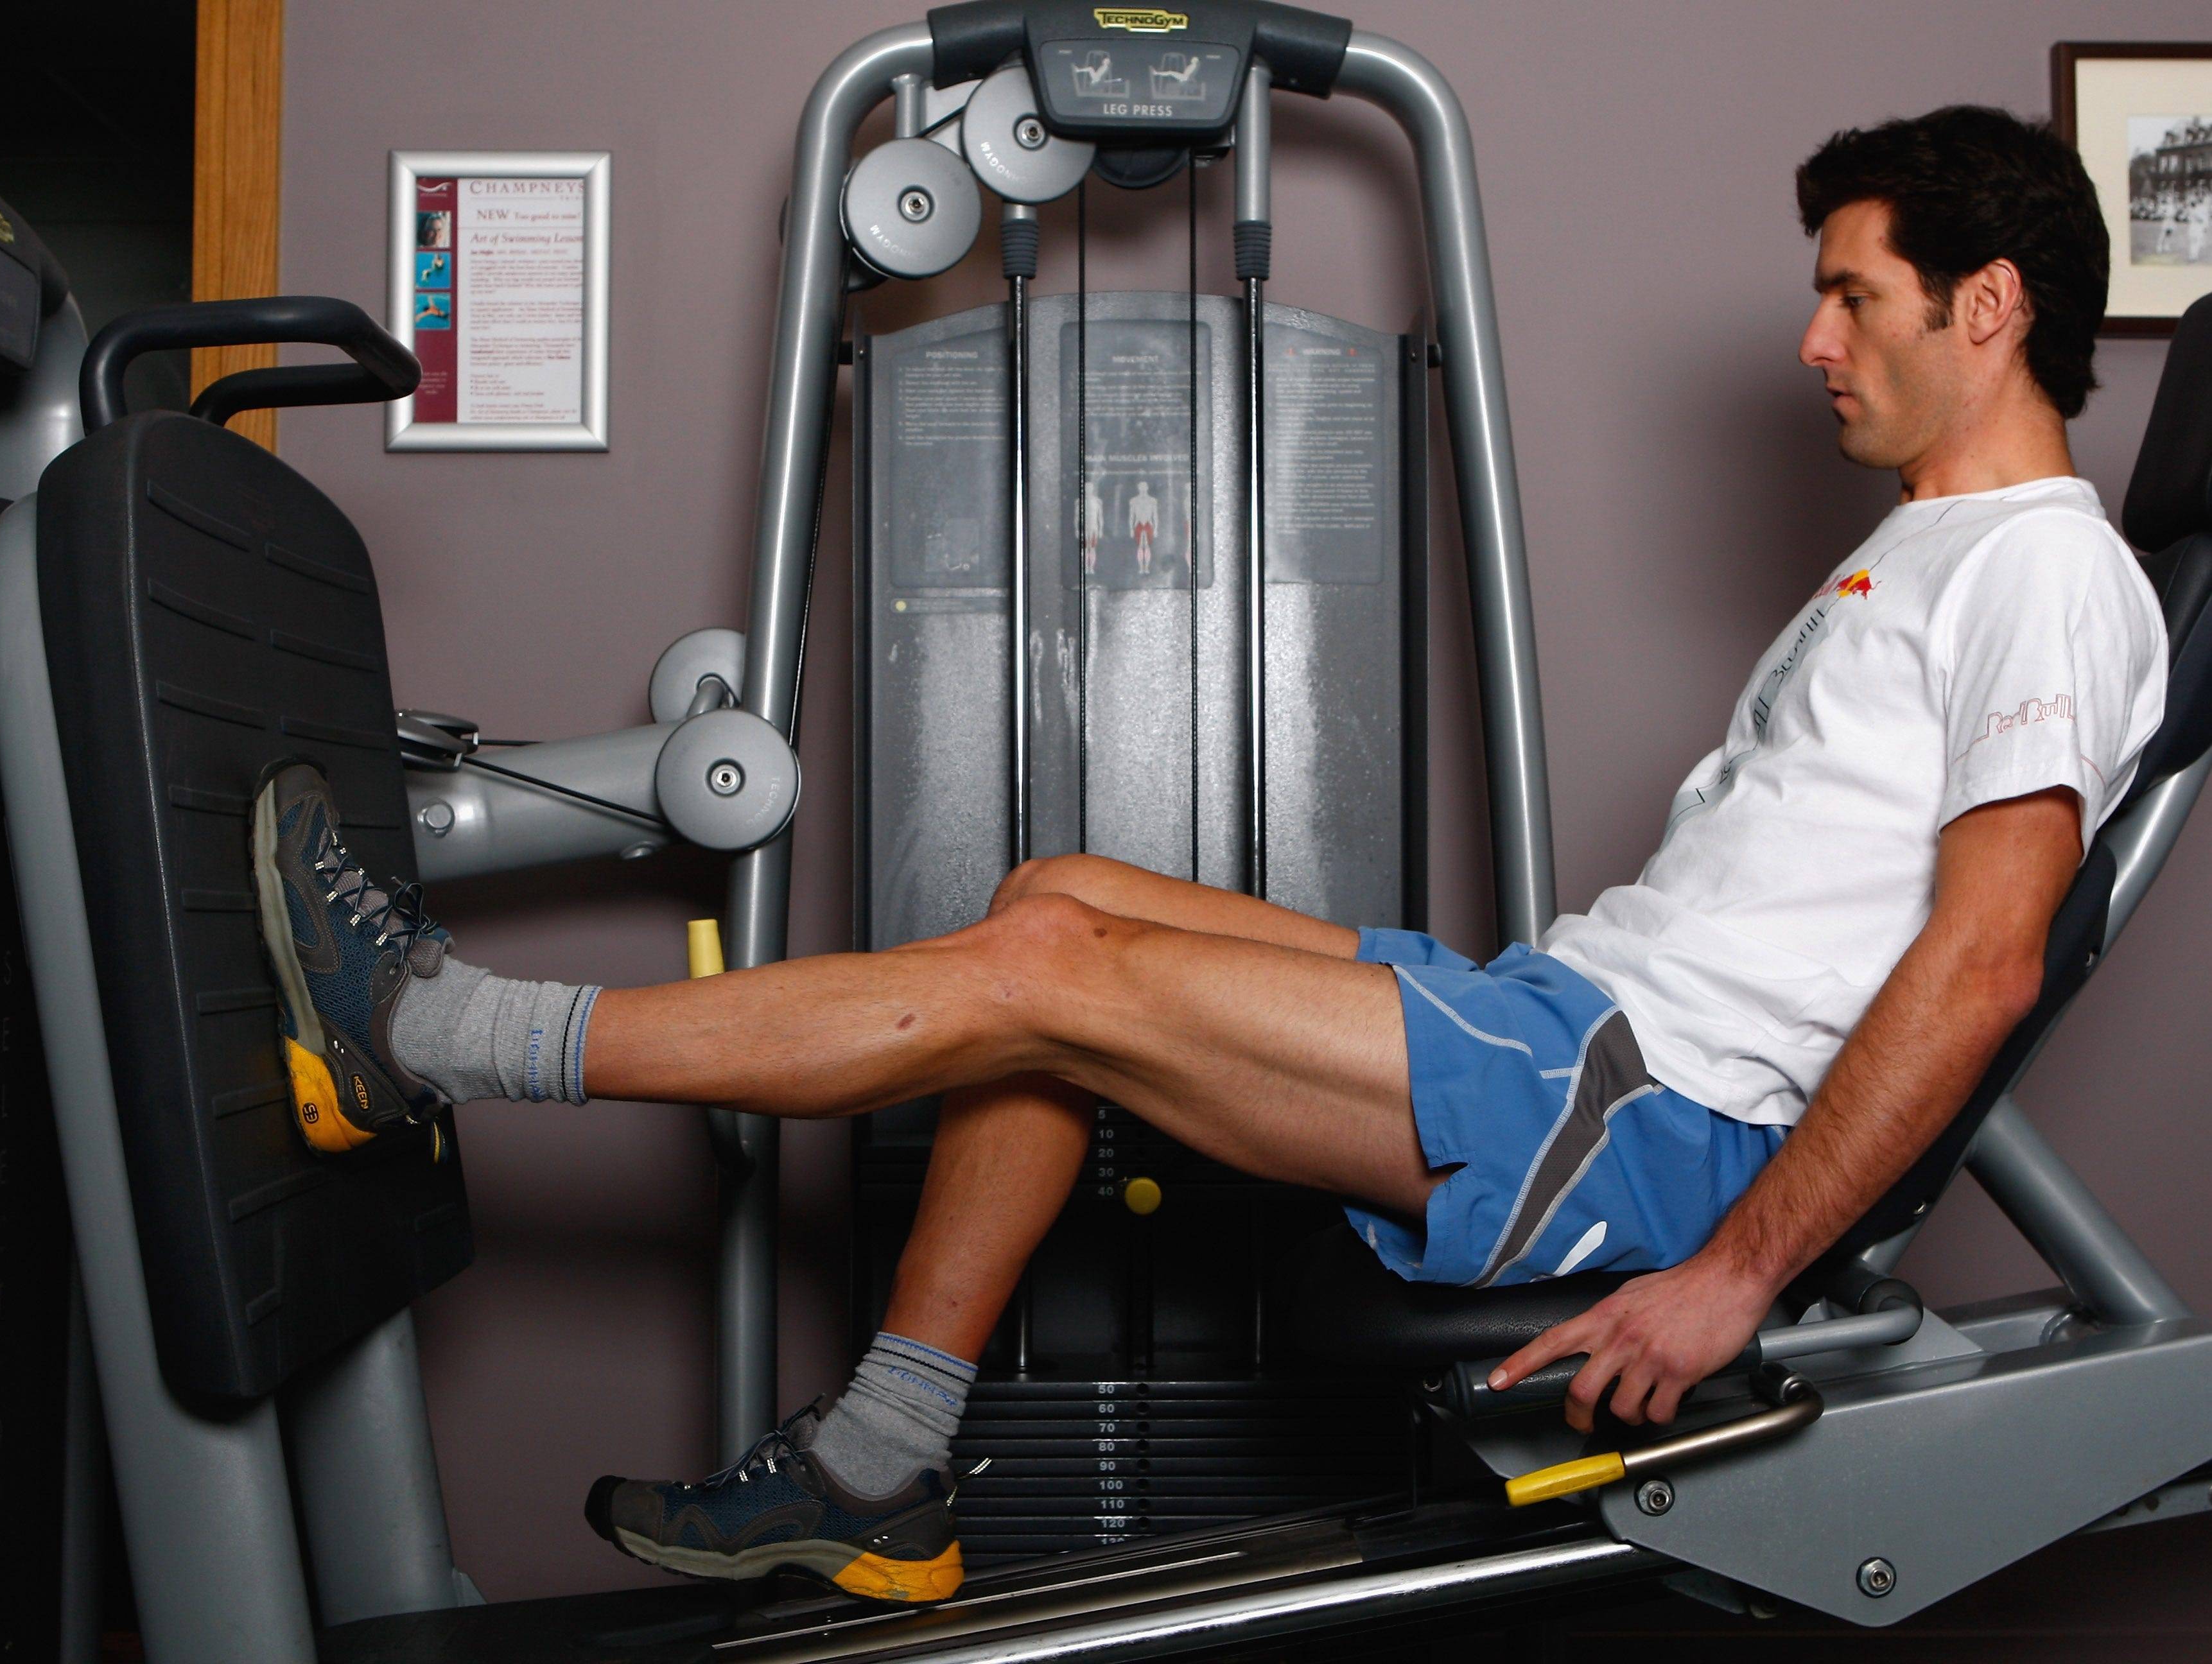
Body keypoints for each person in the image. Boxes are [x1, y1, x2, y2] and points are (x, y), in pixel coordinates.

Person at [249, 105, 2159, 1604]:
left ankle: (435, 1035)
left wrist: (1738, 1279)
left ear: (1986, 306)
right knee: (1059, 897)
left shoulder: (2046, 571)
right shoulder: (1926, 549)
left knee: (1049, 983)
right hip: (1568, 1022)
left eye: (1856, 296)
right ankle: (885, 1463)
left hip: (1644, 1114)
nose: (1816, 338)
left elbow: (1984, 959)